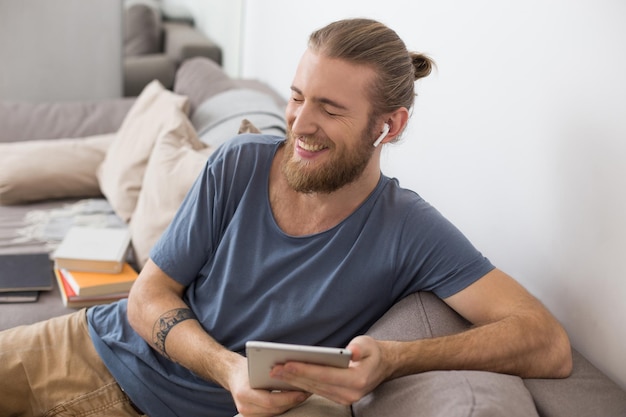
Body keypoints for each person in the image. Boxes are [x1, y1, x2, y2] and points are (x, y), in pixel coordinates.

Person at [0, 18, 572, 417]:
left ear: (388, 126)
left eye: (330, 108)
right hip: (92, 349)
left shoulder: (409, 230)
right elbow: (149, 297)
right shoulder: (239, 163)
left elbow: (546, 342)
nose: (300, 123)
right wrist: (228, 370)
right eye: (298, 97)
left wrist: (396, 359)